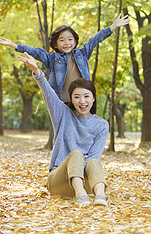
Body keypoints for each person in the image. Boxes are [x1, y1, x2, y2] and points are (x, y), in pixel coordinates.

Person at [18, 52, 109, 207]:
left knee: (93, 161)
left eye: (86, 96)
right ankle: (80, 196)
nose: (82, 101)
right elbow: (49, 94)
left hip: (85, 182)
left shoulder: (101, 125)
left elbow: (94, 156)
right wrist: (37, 71)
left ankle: (100, 196)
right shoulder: (63, 114)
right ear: (71, 100)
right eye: (76, 97)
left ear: (93, 98)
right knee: (76, 154)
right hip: (58, 181)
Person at [0, 14, 130, 102]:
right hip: (61, 101)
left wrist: (113, 27)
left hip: (82, 102)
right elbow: (36, 52)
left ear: (75, 41)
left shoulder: (82, 54)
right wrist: (15, 45)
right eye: (62, 40)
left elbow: (94, 40)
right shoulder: (52, 58)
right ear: (55, 44)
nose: (67, 43)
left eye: (70, 39)